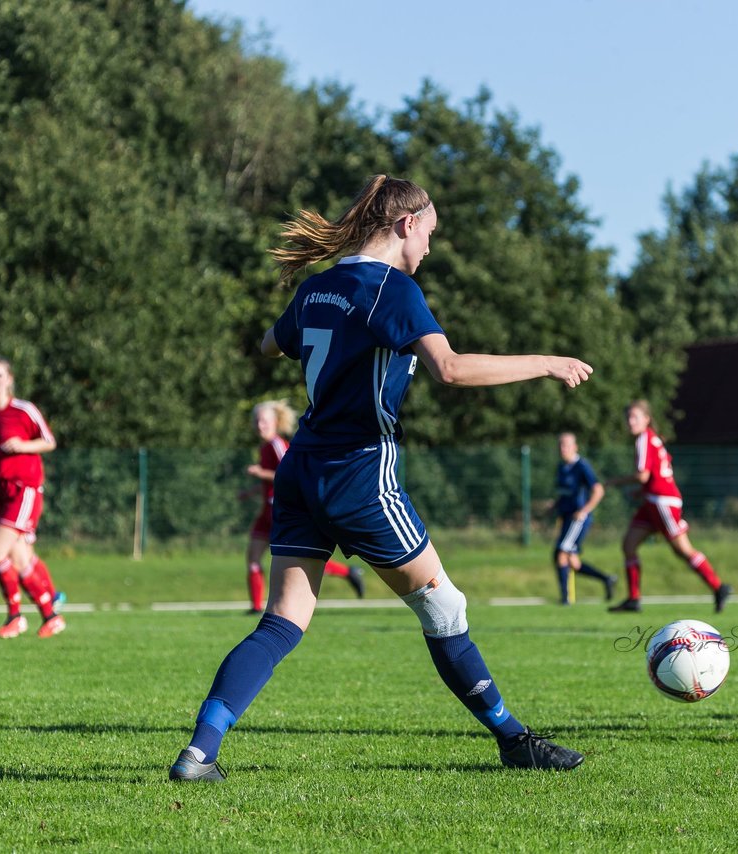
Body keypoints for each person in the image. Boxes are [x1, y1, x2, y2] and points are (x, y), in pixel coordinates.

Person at [169, 175, 593, 782]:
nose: (429, 249)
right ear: (405, 225)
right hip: (360, 473)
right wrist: (545, 362)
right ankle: (512, 739)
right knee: (445, 608)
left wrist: (316, 324)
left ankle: (199, 752)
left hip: (301, 469)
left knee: (284, 621)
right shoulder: (390, 289)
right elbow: (449, 369)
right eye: (430, 235)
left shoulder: (320, 287)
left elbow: (269, 344)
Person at [0, 357, 67, 639]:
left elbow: (49, 441)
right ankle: (51, 616)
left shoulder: (24, 410)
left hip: (23, 489)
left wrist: (23, 445)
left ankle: (16, 617)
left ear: (10, 380)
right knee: (19, 558)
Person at [606, 400, 732, 614]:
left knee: (682, 549)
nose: (630, 421)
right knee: (629, 544)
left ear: (646, 419)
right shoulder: (651, 439)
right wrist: (641, 492)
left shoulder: (644, 438)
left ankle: (719, 587)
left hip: (662, 502)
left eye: (635, 417)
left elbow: (643, 474)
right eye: (628, 417)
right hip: (653, 501)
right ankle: (633, 599)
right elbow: (654, 475)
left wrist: (612, 482)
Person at [242, 399, 365, 613]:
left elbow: (289, 474)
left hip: (281, 510)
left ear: (275, 422)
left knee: (298, 561)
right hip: (266, 510)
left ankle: (348, 572)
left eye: (263, 421)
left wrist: (260, 473)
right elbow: (271, 481)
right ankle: (255, 607)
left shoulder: (278, 445)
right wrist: (252, 491)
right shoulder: (264, 448)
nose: (259, 425)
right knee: (253, 557)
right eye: (256, 421)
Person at [550, 431, 615, 604]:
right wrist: (555, 506)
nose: (562, 448)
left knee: (561, 553)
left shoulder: (582, 466)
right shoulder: (561, 467)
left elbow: (598, 490)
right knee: (573, 562)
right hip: (566, 518)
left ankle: (565, 600)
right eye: (560, 444)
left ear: (575, 447)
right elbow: (565, 494)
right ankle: (607, 579)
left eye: (566, 444)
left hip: (577, 519)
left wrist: (584, 510)